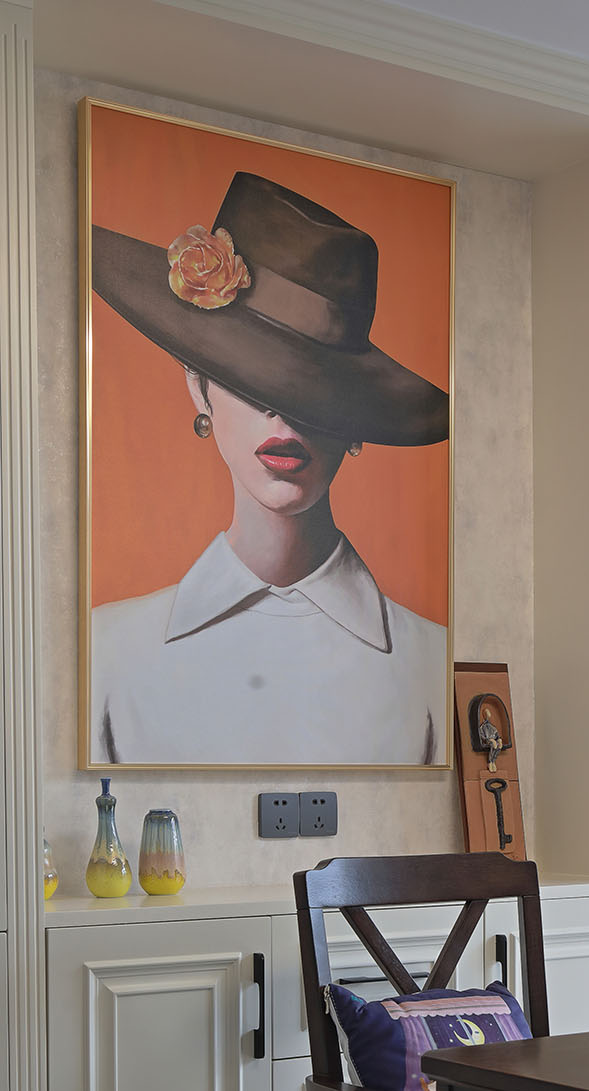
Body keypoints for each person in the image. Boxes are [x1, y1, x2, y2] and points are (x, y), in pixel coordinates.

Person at [88, 171, 450, 767]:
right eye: (251, 376)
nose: (283, 415)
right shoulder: (108, 651)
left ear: (356, 421)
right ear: (199, 386)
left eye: (316, 393)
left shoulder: (434, 663)